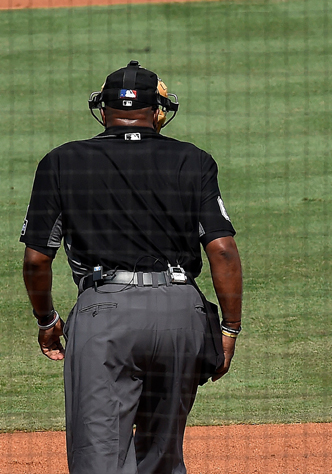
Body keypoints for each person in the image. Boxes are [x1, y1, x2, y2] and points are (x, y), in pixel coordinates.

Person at [20, 60, 243, 474]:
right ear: (158, 111)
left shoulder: (61, 161)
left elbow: (36, 261)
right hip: (181, 315)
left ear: (103, 110)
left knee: (99, 459)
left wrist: (47, 318)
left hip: (104, 319)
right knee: (162, 456)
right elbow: (224, 251)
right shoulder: (193, 160)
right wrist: (229, 329)